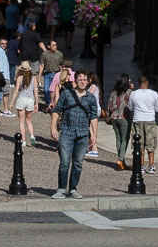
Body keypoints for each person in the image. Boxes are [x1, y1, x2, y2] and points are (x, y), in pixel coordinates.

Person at [51, 68, 100, 198]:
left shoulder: (90, 98)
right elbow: (56, 110)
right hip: (67, 132)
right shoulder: (67, 94)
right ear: (75, 80)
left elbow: (94, 117)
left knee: (78, 163)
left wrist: (94, 135)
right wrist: (53, 128)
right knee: (65, 163)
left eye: (84, 80)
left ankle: (73, 188)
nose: (82, 82)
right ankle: (61, 188)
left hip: (83, 134)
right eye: (80, 80)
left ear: (88, 81)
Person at [128, 74, 158, 174]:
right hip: (150, 120)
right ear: (147, 83)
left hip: (137, 120)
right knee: (151, 143)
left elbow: (130, 108)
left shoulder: (134, 94)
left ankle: (142, 165)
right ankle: (151, 165)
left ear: (138, 83)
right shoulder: (154, 94)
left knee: (139, 144)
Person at [7, 63, 40, 145]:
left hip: (21, 99)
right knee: (29, 121)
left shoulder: (19, 78)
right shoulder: (33, 78)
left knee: (21, 122)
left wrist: (11, 102)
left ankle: (23, 141)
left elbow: (16, 91)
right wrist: (37, 103)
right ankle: (32, 136)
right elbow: (35, 91)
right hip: (30, 100)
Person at [106, 75, 133, 168]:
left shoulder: (114, 92)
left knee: (118, 139)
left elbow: (109, 106)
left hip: (114, 117)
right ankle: (120, 159)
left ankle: (121, 161)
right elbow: (132, 105)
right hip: (124, 118)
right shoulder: (129, 92)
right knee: (125, 139)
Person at [39, 39, 65, 111]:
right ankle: (48, 104)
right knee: (46, 90)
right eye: (53, 45)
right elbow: (41, 65)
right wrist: (39, 77)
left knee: (57, 90)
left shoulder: (59, 54)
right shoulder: (44, 54)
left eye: (56, 45)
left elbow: (61, 65)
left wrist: (62, 75)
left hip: (57, 74)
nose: (55, 47)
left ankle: (56, 104)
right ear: (49, 46)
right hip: (47, 74)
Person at [82, 71, 103, 159]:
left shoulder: (93, 86)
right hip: (96, 109)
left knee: (91, 130)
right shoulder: (97, 86)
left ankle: (94, 149)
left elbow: (87, 95)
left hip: (93, 110)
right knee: (91, 129)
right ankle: (91, 148)